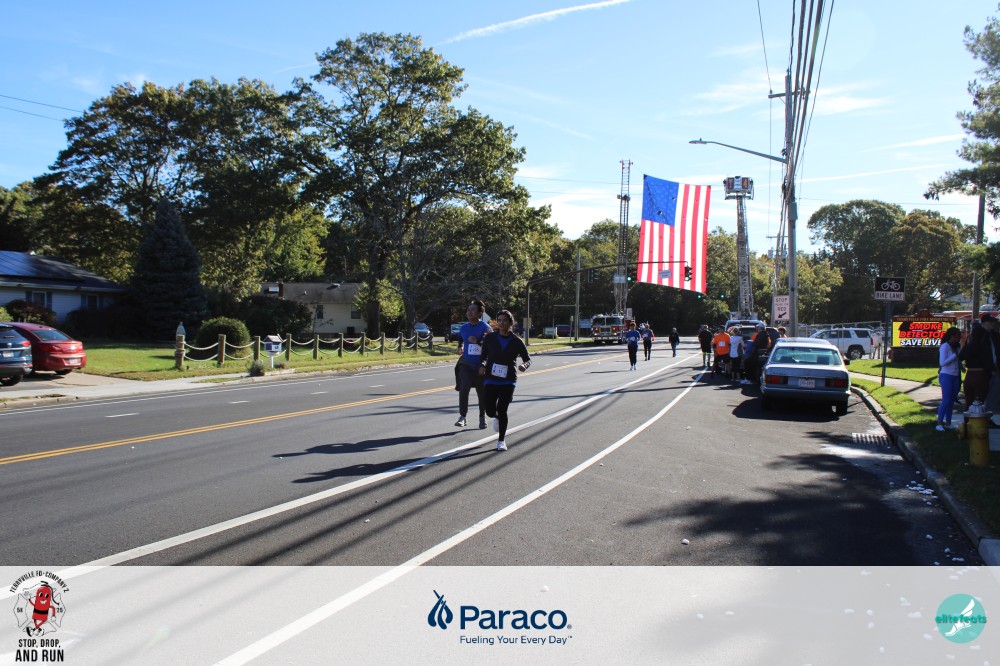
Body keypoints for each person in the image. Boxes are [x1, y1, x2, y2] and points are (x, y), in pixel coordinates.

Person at [478, 310, 531, 451]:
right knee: (489, 410)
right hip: (491, 378)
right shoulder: (490, 338)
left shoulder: (516, 341)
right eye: (499, 320)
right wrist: (482, 365)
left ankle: (501, 440)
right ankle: (497, 417)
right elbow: (483, 356)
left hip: (508, 380)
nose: (501, 323)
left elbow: (527, 359)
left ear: (510, 323)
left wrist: (524, 366)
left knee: (502, 409)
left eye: (505, 320)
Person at [454, 299, 491, 429]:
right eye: (468, 310)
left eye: (472, 310)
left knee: (482, 393)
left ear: (480, 313)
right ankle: (462, 416)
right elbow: (461, 338)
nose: (469, 312)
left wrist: (477, 341)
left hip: (480, 365)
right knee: (464, 388)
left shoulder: (486, 328)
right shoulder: (464, 327)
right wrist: (460, 347)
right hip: (467, 364)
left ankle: (482, 416)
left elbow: (490, 345)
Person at [959, 322, 993, 411]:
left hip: (969, 374)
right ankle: (978, 418)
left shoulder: (968, 346)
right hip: (981, 374)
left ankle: (967, 418)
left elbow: (960, 357)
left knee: (968, 401)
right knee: (979, 402)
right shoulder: (985, 347)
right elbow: (989, 364)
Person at [937, 326, 962, 431]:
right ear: (952, 336)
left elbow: (958, 359)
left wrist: (961, 365)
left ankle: (948, 423)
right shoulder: (945, 346)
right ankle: (939, 423)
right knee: (946, 400)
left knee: (951, 401)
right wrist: (954, 356)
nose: (959, 338)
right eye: (957, 336)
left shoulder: (957, 346)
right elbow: (942, 363)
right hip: (946, 375)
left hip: (955, 375)